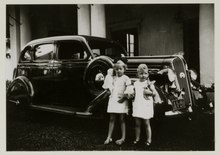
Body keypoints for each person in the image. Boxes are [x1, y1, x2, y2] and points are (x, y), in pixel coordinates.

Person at [103, 58, 131, 145]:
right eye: (117, 69)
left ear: (124, 69)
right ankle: (109, 137)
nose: (118, 71)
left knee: (122, 119)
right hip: (113, 99)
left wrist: (124, 97)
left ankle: (123, 138)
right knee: (112, 118)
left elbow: (129, 89)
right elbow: (108, 84)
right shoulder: (113, 78)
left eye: (120, 69)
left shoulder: (126, 78)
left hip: (121, 99)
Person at [132, 64, 157, 146]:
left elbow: (154, 93)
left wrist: (149, 92)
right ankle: (137, 138)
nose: (143, 76)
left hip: (146, 105)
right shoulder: (135, 83)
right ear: (137, 74)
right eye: (141, 73)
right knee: (137, 123)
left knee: (146, 123)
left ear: (148, 74)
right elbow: (134, 94)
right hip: (138, 104)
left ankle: (149, 139)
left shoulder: (149, 84)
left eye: (145, 73)